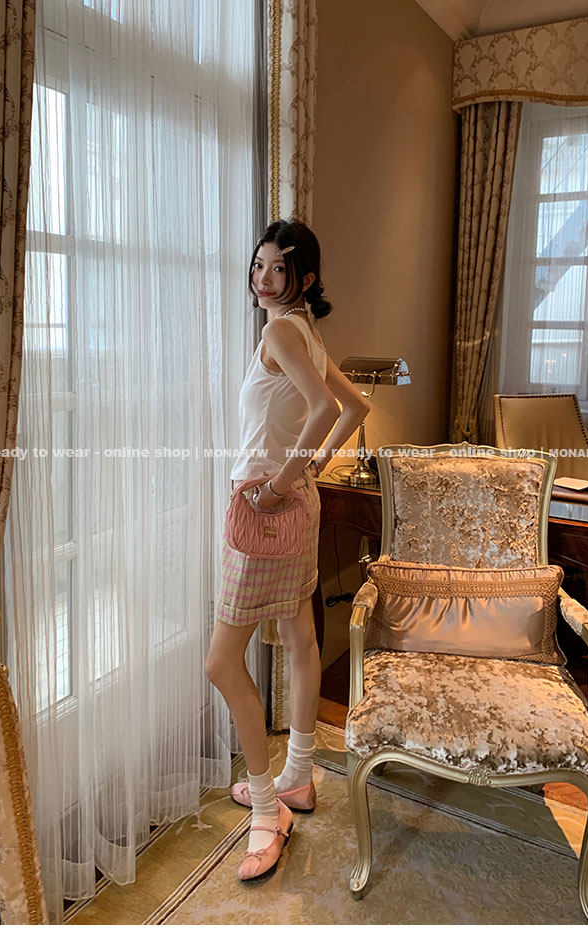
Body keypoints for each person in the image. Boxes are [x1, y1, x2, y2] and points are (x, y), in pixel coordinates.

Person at [205, 219, 370, 881]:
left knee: (221, 662)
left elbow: (326, 408)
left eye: (278, 268)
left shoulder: (280, 332)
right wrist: (310, 472)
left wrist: (278, 485)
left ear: (304, 276)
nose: (263, 279)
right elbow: (355, 408)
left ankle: (266, 809)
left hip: (265, 510)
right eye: (258, 265)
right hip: (297, 506)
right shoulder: (304, 330)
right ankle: (297, 777)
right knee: (301, 639)